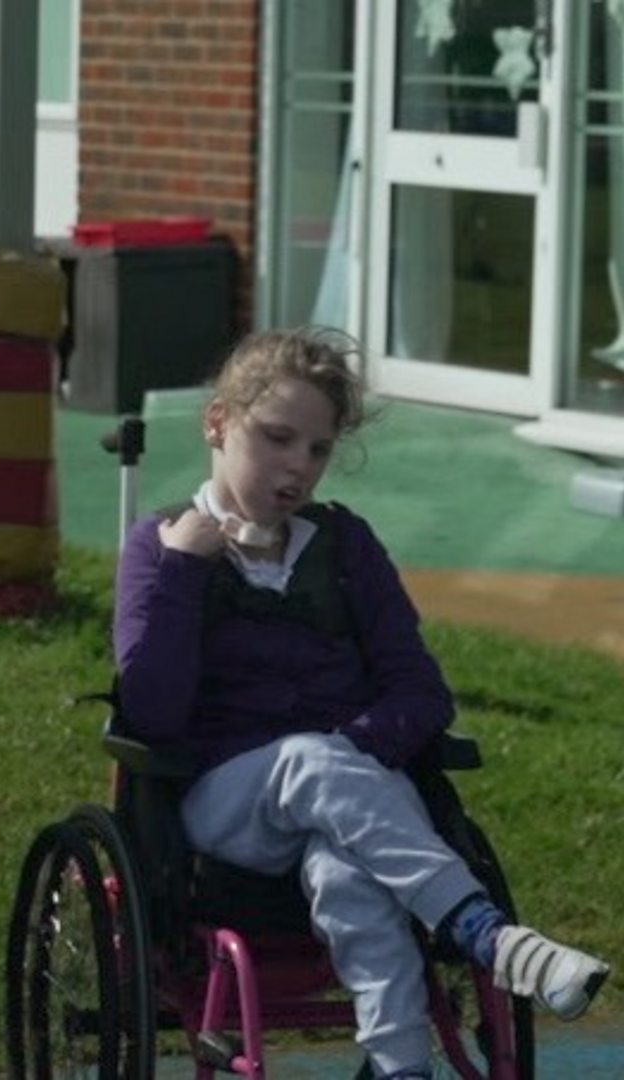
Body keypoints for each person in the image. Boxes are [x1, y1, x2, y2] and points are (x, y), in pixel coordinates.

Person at [113, 327, 609, 1080]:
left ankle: (396, 1066)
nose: (297, 467)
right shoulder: (160, 547)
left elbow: (421, 692)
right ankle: (488, 934)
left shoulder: (345, 547)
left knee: (348, 876)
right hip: (223, 805)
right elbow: (150, 712)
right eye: (277, 438)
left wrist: (355, 747)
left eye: (317, 449)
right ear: (218, 423)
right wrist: (184, 572)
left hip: (349, 794)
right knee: (310, 762)